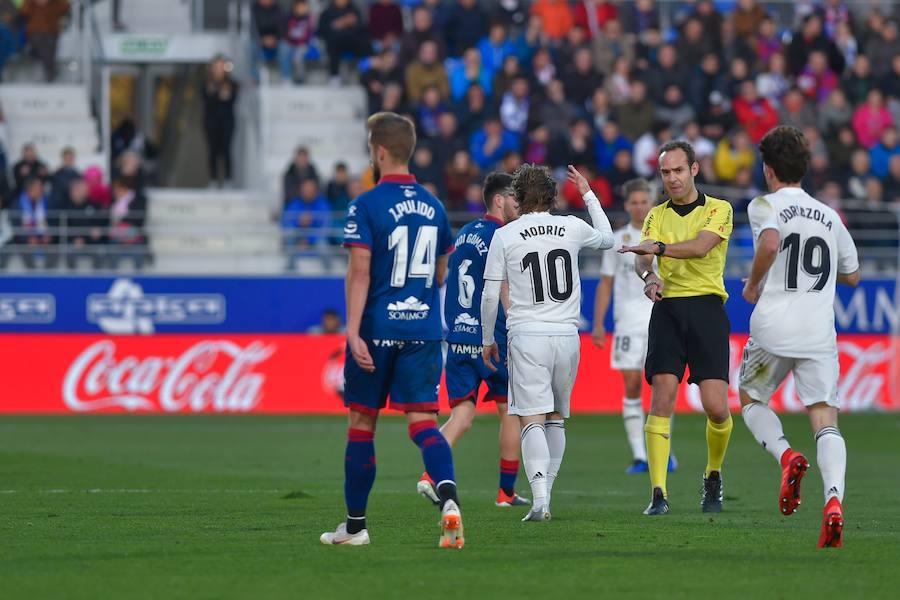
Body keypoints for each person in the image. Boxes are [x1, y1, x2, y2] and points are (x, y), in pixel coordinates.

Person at [322, 112, 463, 548]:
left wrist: (352, 331)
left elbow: (359, 273)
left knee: (362, 424)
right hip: (423, 330)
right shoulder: (435, 205)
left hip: (377, 328)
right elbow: (442, 272)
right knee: (424, 422)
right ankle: (450, 500)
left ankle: (356, 527)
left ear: (378, 152)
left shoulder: (365, 205)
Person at [739, 126, 860, 549]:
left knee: (752, 399)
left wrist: (753, 285)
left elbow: (770, 243)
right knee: (825, 419)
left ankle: (786, 455)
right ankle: (833, 502)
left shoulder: (764, 204)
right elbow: (854, 274)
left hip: (774, 326)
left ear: (768, 170)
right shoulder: (829, 215)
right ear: (804, 168)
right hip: (817, 331)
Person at [481, 164, 615, 521]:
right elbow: (608, 238)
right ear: (553, 196)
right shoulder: (571, 226)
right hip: (567, 336)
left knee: (531, 420)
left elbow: (490, 293)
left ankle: (540, 499)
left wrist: (486, 339)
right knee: (556, 418)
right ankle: (546, 494)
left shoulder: (506, 235)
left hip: (527, 335)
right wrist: (587, 192)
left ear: (518, 198)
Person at [619, 141, 734, 516]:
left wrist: (659, 251)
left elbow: (701, 247)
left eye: (678, 171)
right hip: (667, 310)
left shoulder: (719, 209)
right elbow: (644, 259)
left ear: (694, 170)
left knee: (716, 408)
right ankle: (657, 493)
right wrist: (649, 276)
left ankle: (713, 474)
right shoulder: (655, 215)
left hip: (706, 308)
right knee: (661, 399)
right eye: (666, 173)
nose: (672, 179)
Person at [417, 172, 529, 509]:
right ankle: (505, 493)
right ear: (499, 200)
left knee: (462, 416)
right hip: (491, 338)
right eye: (515, 199)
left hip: (458, 338)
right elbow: (504, 289)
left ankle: (428, 476)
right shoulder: (505, 236)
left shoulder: (465, 233)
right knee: (510, 411)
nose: (519, 207)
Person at [592, 179, 677, 474]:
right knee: (631, 385)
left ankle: (664, 451)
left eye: (644, 201)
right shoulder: (617, 240)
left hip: (661, 317)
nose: (640, 206)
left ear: (651, 203)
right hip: (627, 321)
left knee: (662, 386)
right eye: (635, 202)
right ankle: (641, 455)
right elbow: (606, 283)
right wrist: (599, 324)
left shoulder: (665, 235)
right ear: (627, 205)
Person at [203, 55, 239, 188]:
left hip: (227, 121)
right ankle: (213, 180)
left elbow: (230, 99)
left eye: (221, 65)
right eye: (217, 65)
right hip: (211, 122)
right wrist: (219, 95)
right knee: (213, 151)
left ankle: (228, 180)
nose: (219, 69)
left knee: (226, 150)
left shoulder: (232, 83)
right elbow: (209, 100)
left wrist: (219, 94)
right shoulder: (207, 83)